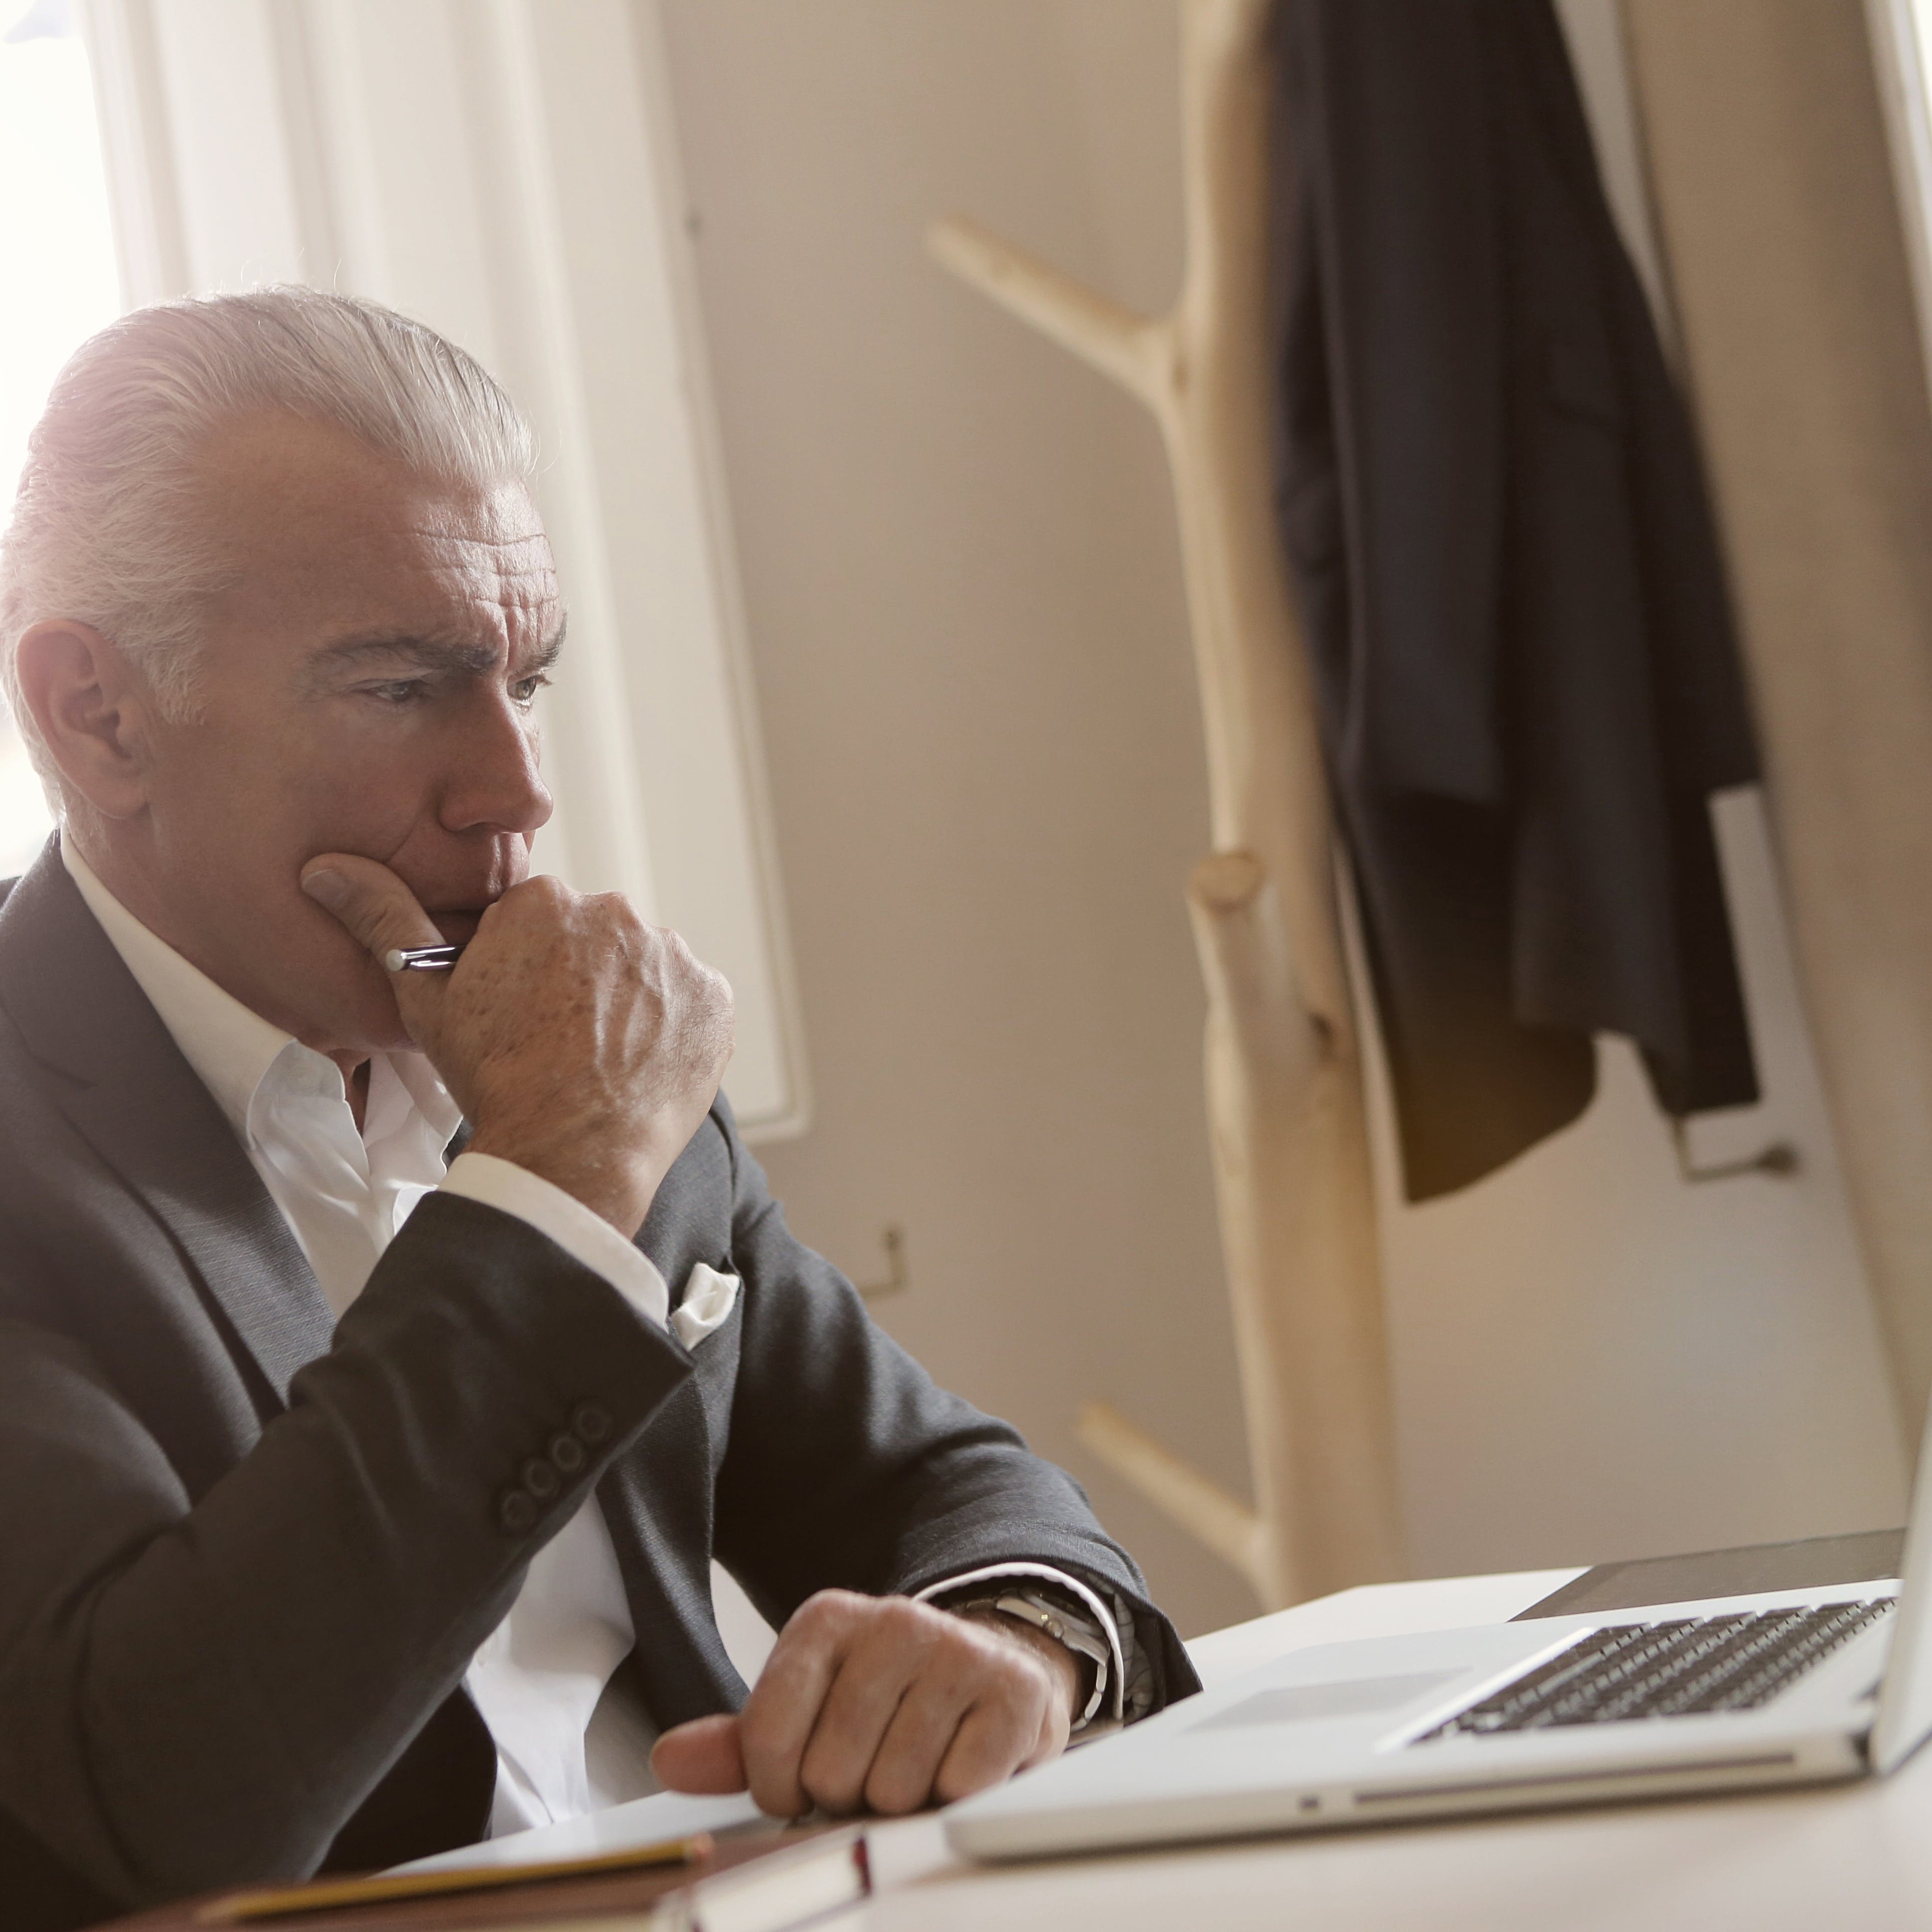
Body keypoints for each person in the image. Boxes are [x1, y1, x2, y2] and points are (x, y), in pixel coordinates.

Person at [0, 289, 1196, 1929]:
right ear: (99, 714)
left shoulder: (568, 1057)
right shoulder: (561, 1107)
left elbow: (946, 1487)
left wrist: (1011, 1642)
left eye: (525, 680)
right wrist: (553, 1188)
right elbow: (171, 1792)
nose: (516, 790)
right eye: (404, 686)